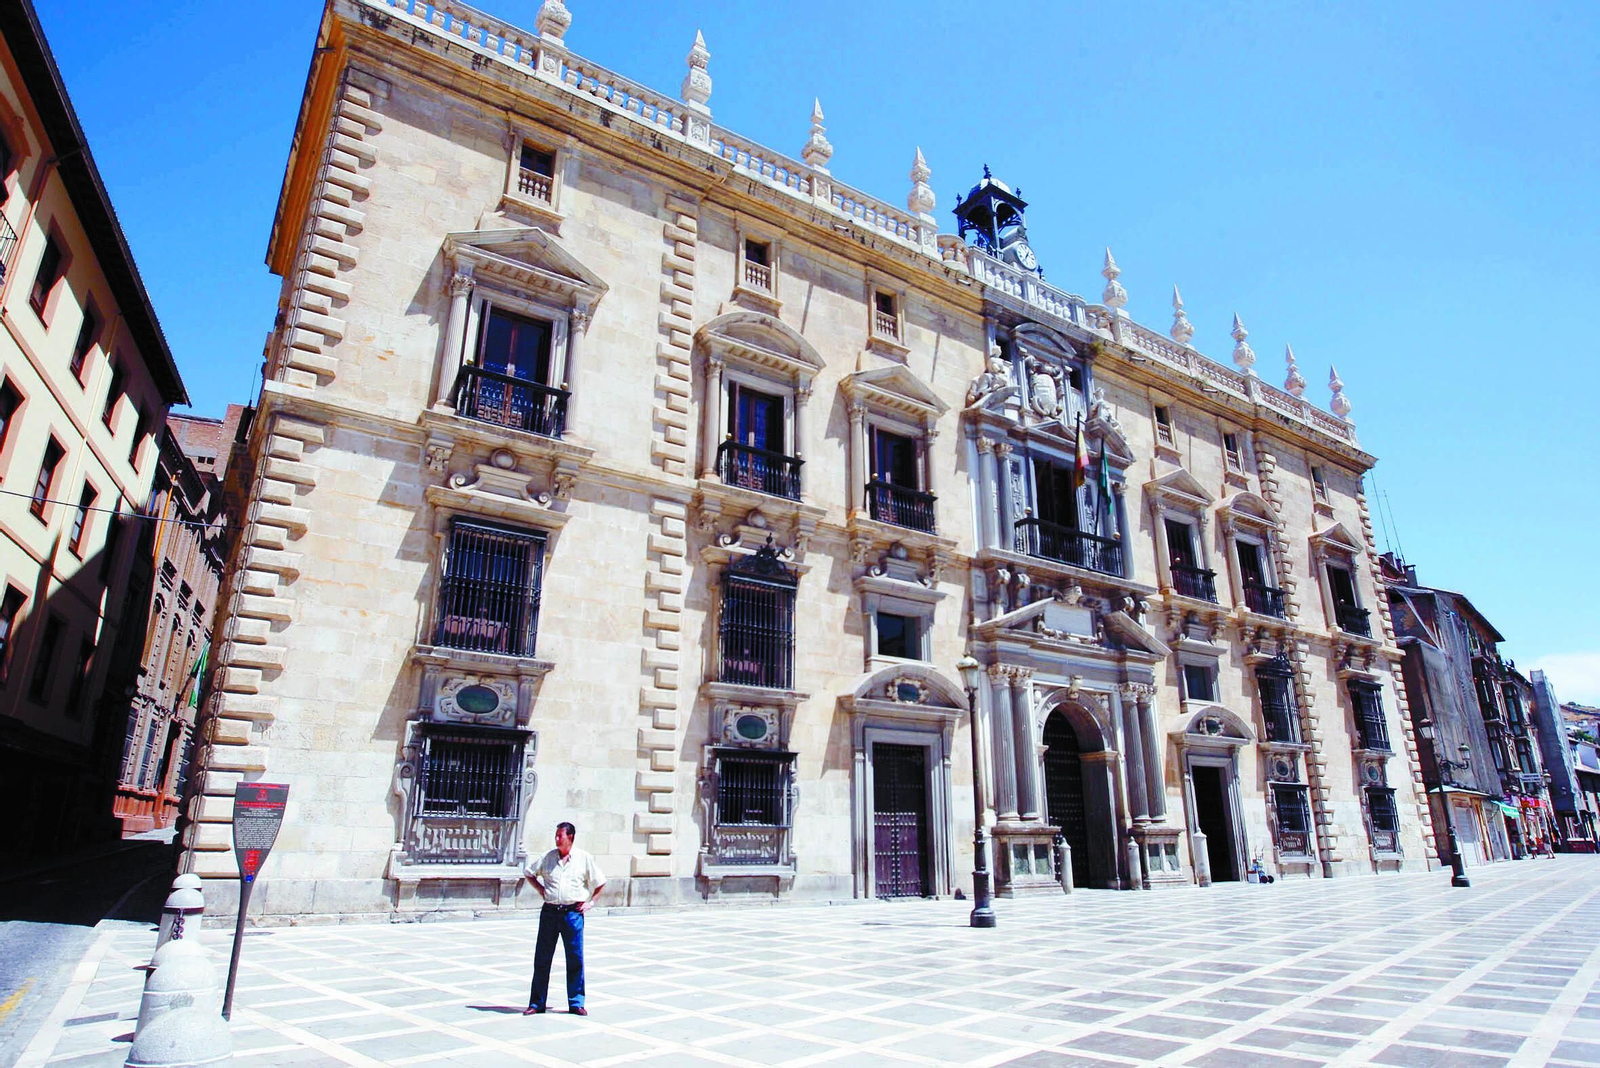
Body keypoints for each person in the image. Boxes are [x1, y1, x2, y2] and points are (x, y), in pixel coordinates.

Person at [523, 821, 605, 1016]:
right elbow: (529, 873)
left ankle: (576, 1003)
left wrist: (590, 903)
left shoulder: (583, 858)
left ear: (571, 837)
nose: (557, 839)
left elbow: (600, 882)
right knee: (542, 958)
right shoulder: (547, 857)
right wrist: (541, 890)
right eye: (556, 836)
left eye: (561, 836)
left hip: (572, 914)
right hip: (550, 913)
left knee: (575, 958)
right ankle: (537, 1003)